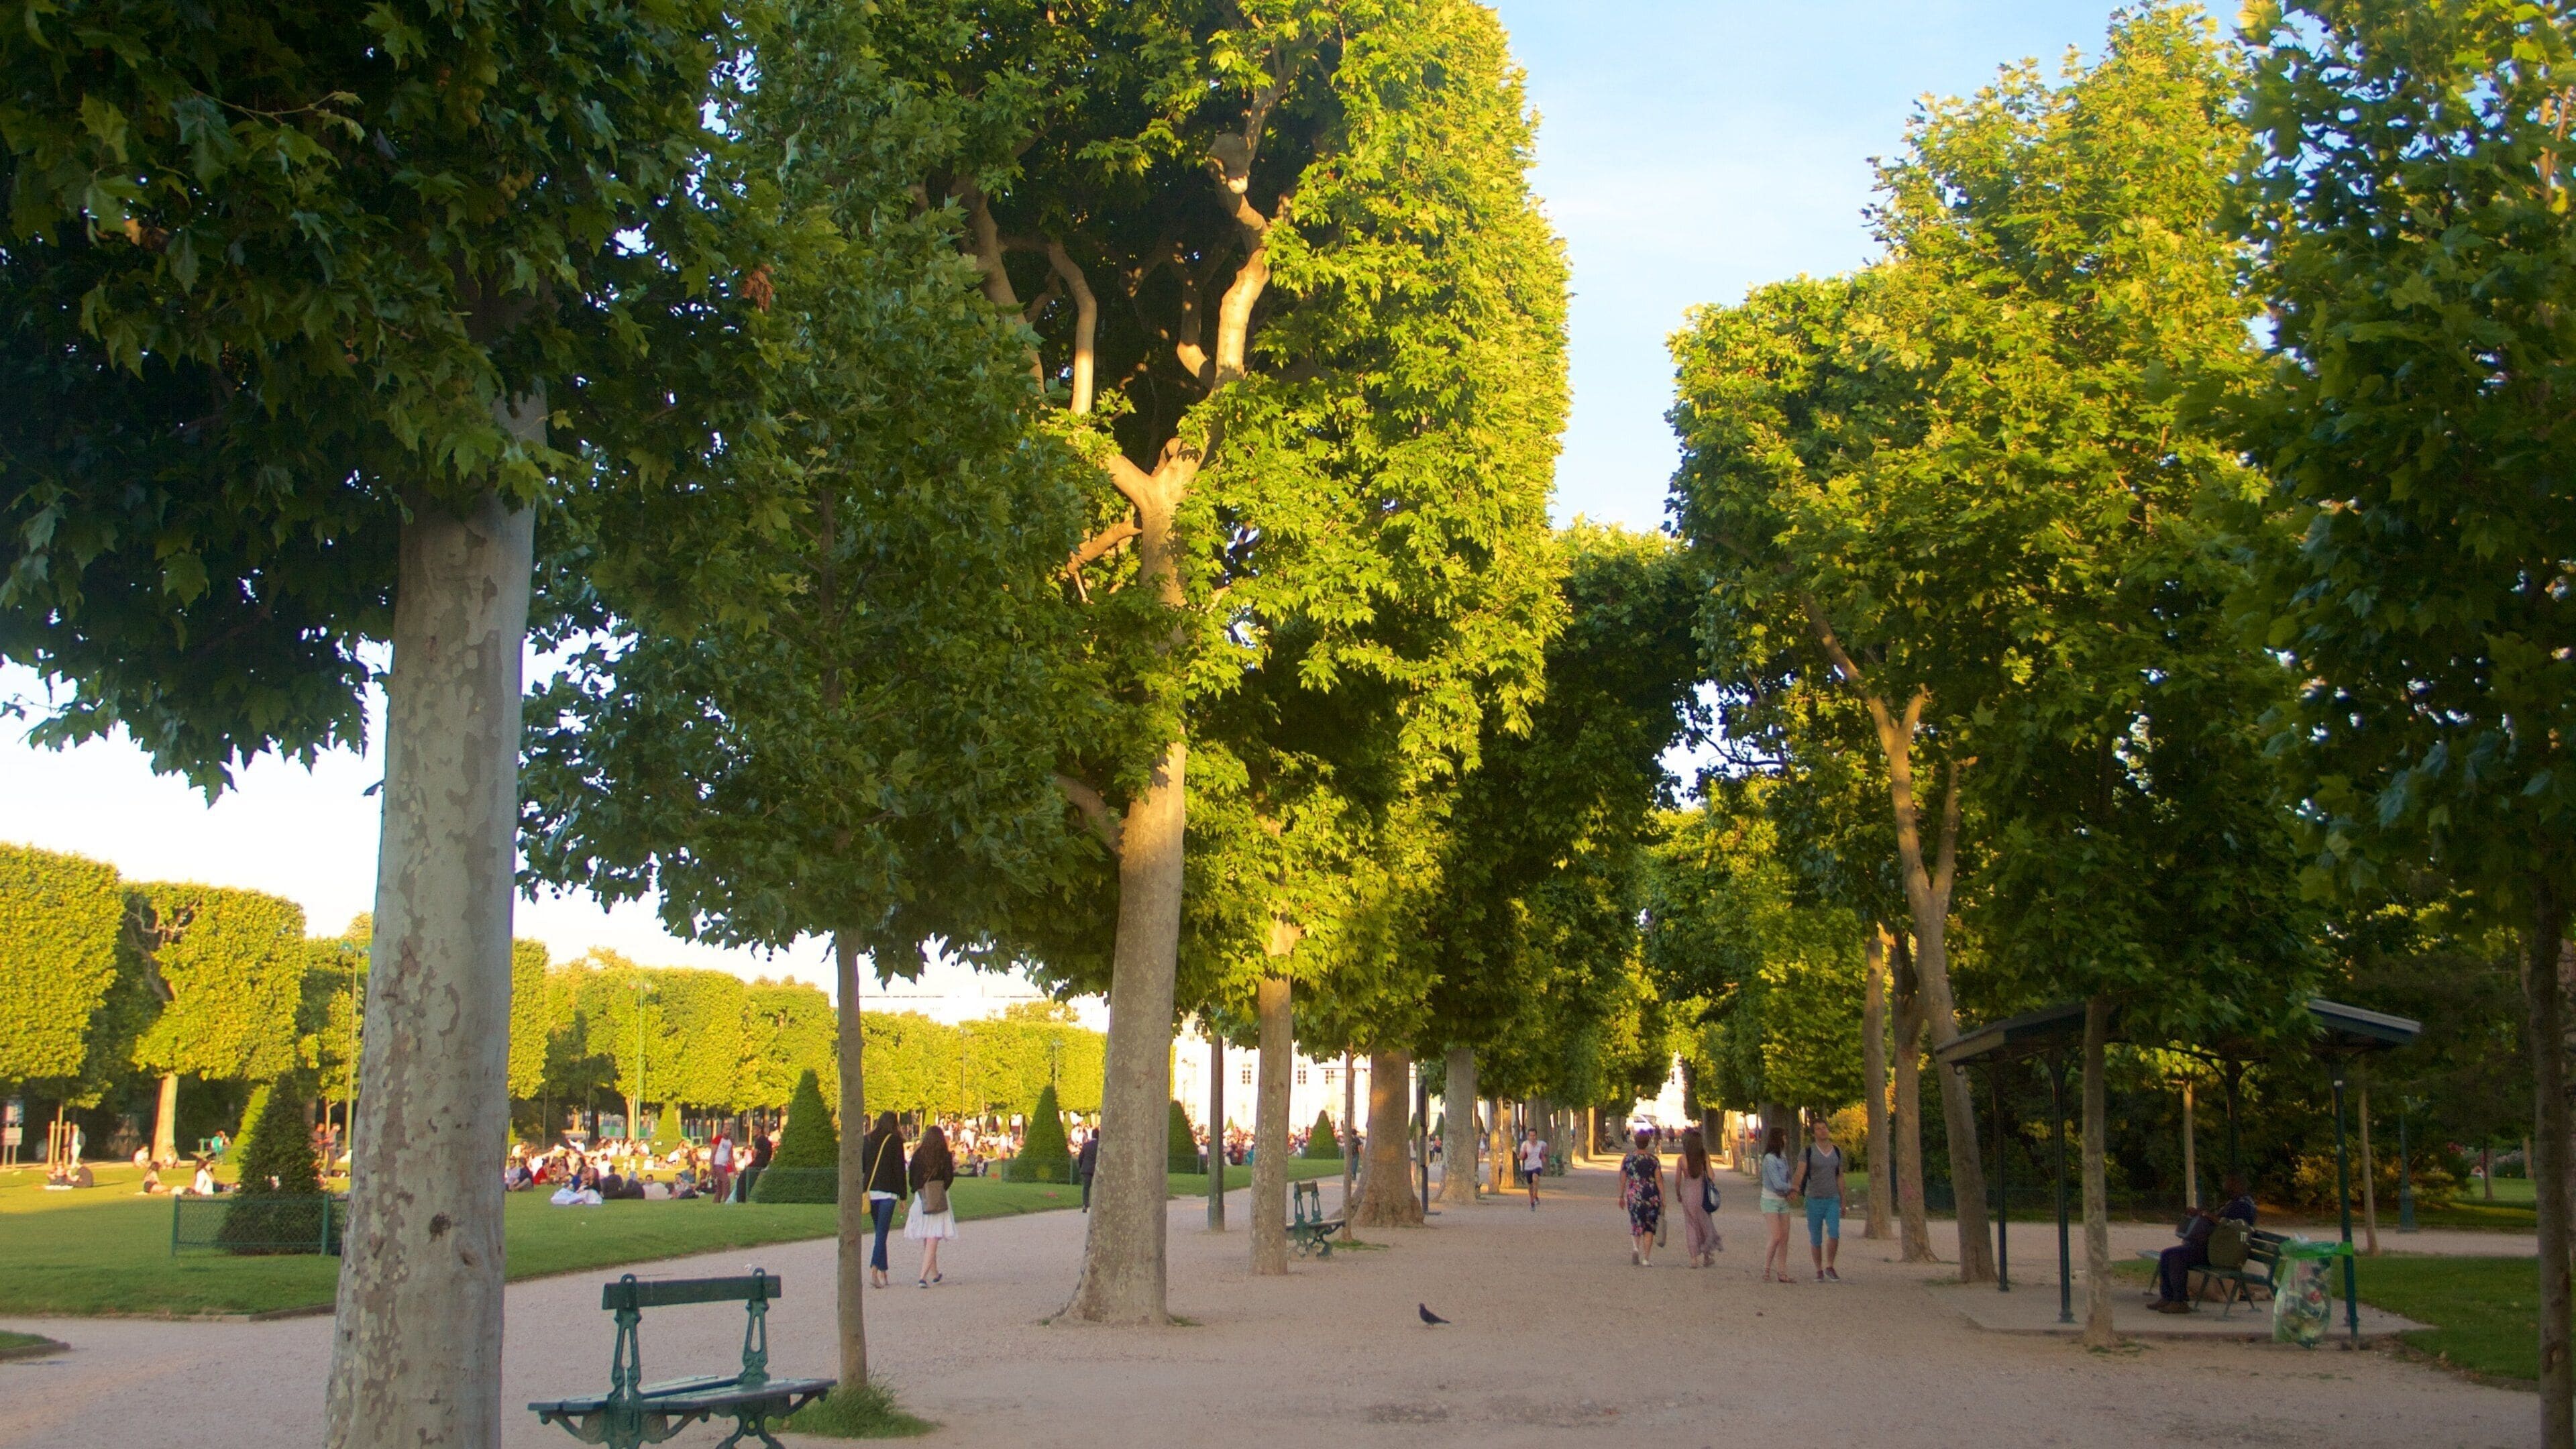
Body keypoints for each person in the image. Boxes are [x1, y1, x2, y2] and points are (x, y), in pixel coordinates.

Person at [2151, 1173, 2258, 1313]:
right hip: (2212, 1248)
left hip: (2221, 1253)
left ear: (2237, 1185)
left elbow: (2234, 1226)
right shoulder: (2233, 1202)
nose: (2224, 1187)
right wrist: (2199, 1213)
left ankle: (2179, 1301)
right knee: (2167, 1254)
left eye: (2227, 1183)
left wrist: (2208, 1216)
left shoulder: (2245, 1206)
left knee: (2177, 1257)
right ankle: (2168, 1297)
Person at [1791, 1118, 1846, 1282]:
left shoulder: (1836, 1151)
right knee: (1816, 1237)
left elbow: (1840, 1176)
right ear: (1814, 1133)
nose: (1823, 1131)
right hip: (1814, 1198)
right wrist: (1794, 1188)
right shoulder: (1807, 1151)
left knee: (1834, 1232)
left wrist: (1843, 1200)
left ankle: (1830, 1265)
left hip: (1832, 1198)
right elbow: (1800, 1172)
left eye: (1825, 1128)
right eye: (1819, 1129)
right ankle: (1818, 1269)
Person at [906, 1124, 958, 1287]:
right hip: (938, 1197)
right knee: (933, 1235)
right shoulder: (944, 1155)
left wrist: (919, 1189)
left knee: (928, 1235)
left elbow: (912, 1177)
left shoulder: (919, 1154)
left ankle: (934, 1272)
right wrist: (940, 1189)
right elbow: (949, 1178)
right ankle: (923, 1276)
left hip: (921, 1196)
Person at [863, 1112, 908, 1289]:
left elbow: (864, 1165)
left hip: (871, 1192)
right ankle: (874, 1269)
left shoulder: (868, 1139)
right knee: (882, 1233)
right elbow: (899, 1169)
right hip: (888, 1192)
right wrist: (903, 1196)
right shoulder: (895, 1141)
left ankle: (884, 1271)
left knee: (880, 1232)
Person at [1672, 1126, 1722, 1267]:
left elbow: (1677, 1181)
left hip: (1688, 1195)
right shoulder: (1703, 1156)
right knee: (1705, 1225)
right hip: (1702, 1194)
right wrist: (1707, 1166)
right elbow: (1712, 1176)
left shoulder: (1681, 1159)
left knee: (1691, 1226)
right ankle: (1707, 1256)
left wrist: (1678, 1194)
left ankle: (1693, 1258)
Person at [1621, 1128, 1664, 1267]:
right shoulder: (1653, 1160)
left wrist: (1621, 1196)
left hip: (1634, 1194)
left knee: (1636, 1222)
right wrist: (1663, 1197)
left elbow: (1623, 1179)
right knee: (1649, 1227)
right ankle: (1646, 1258)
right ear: (1648, 1143)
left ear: (1636, 1142)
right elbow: (1659, 1180)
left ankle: (1635, 1247)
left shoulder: (1628, 1159)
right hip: (1651, 1195)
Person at [1759, 1126, 1796, 1283]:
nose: (1786, 1140)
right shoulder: (1769, 1159)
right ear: (1779, 1139)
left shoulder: (1783, 1157)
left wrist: (1789, 1191)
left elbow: (1787, 1177)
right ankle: (1766, 1268)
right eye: (1784, 1137)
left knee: (1785, 1238)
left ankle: (1782, 1271)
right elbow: (1776, 1182)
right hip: (1770, 1200)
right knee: (1776, 1236)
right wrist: (1792, 1188)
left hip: (1783, 1201)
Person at [1519, 1128, 1548, 1211]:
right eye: (1531, 1135)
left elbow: (1546, 1148)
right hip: (1528, 1166)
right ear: (1528, 1136)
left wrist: (1543, 1155)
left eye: (1534, 1135)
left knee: (1535, 1178)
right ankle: (1532, 1201)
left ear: (1536, 1136)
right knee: (1530, 1185)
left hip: (1537, 1165)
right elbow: (1521, 1156)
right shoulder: (1525, 1144)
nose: (1533, 1137)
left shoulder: (1541, 1144)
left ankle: (1536, 1195)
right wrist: (1522, 1154)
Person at [1075, 1128, 1099, 1212]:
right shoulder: (1100, 1145)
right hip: (1097, 1169)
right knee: (1098, 1187)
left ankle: (1085, 1204)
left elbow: (1080, 1157)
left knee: (1086, 1187)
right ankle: (1097, 1205)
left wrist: (1081, 1166)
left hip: (1087, 1168)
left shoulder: (1086, 1145)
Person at [710, 1130, 735, 1203]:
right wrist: (711, 1167)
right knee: (726, 1181)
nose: (728, 1131)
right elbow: (713, 1154)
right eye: (727, 1129)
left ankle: (716, 1201)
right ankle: (728, 1200)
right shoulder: (718, 1139)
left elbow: (731, 1156)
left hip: (724, 1165)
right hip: (717, 1164)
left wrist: (734, 1169)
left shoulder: (730, 1141)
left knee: (720, 1186)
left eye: (730, 1130)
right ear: (723, 1130)